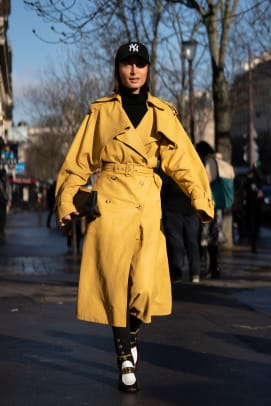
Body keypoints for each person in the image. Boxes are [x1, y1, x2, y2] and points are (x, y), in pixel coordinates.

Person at [55, 41, 214, 393]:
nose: (133, 70)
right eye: (127, 63)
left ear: (147, 70)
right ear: (118, 69)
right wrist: (68, 198)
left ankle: (132, 333)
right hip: (110, 197)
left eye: (140, 64)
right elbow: (79, 159)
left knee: (143, 286)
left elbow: (184, 159)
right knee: (114, 281)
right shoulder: (100, 112)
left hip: (146, 199)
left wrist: (201, 197)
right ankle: (123, 355)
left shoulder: (163, 113)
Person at [196, 141, 228, 279]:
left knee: (207, 239)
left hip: (210, 205)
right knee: (214, 239)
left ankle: (211, 268)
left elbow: (204, 181)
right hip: (218, 207)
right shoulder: (220, 162)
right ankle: (215, 267)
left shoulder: (209, 163)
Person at [161, 174, 201, 283]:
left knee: (175, 243)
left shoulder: (168, 169)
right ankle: (195, 273)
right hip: (189, 210)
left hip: (173, 210)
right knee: (191, 242)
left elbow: (162, 187)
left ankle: (177, 273)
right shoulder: (191, 166)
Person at [244, 164, 264, 252]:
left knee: (252, 225)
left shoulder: (250, 182)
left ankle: (253, 242)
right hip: (255, 207)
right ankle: (253, 242)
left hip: (251, 207)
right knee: (254, 225)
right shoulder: (257, 183)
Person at [0, 168, 8, 241]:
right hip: (1, 202)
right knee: (2, 218)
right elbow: (3, 191)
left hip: (2, 202)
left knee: (3, 218)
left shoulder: (4, 181)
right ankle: (1, 232)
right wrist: (6, 198)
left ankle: (2, 232)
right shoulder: (2, 182)